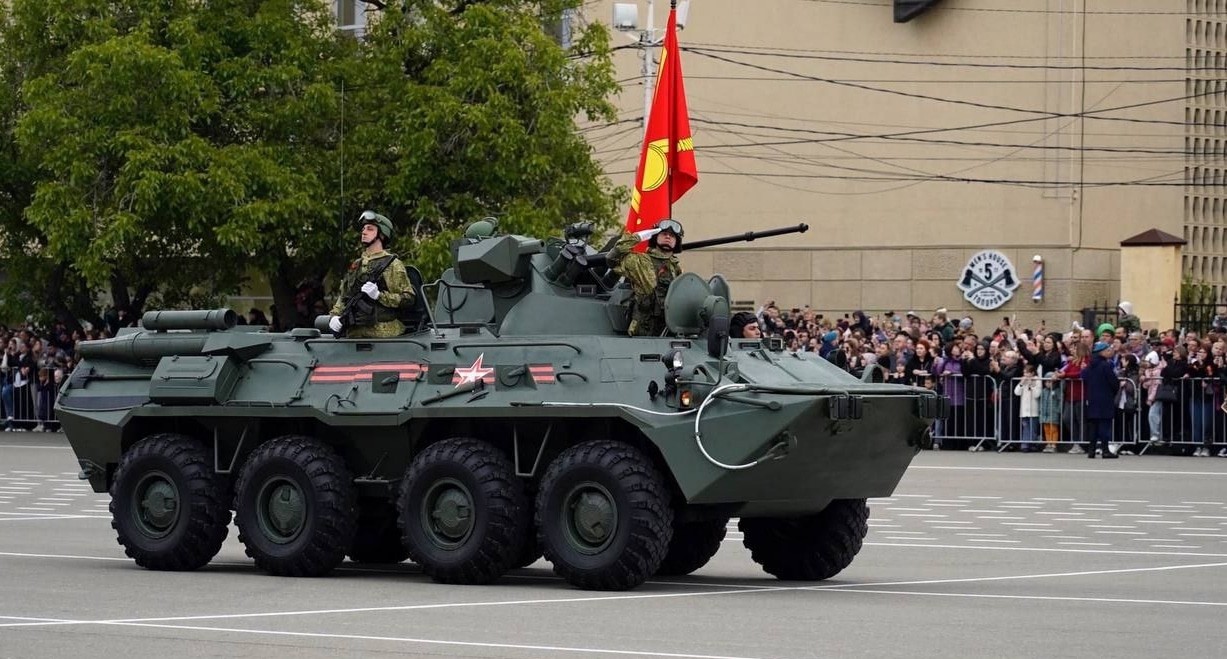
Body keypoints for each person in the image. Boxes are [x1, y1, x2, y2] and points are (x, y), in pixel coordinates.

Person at [327, 210, 416, 339]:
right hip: (354, 335)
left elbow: (408, 299)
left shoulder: (392, 264)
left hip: (384, 335)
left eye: (370, 229)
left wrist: (379, 295)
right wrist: (335, 317)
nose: (364, 232)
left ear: (382, 235)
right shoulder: (356, 265)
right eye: (363, 229)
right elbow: (344, 296)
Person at [609, 219, 683, 337]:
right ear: (655, 236)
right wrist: (639, 237)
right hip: (643, 331)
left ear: (677, 241)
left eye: (672, 236)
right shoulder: (640, 261)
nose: (668, 237)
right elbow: (612, 258)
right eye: (664, 233)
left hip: (667, 331)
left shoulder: (676, 269)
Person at [1082, 341, 1120, 458]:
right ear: (1102, 352)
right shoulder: (1106, 365)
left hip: (1092, 398)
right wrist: (1113, 391)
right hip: (1105, 398)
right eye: (1108, 350)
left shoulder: (1090, 365)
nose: (1110, 352)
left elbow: (1084, 377)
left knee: (1093, 426)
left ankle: (1091, 451)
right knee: (1104, 425)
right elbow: (1113, 382)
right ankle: (1105, 450)